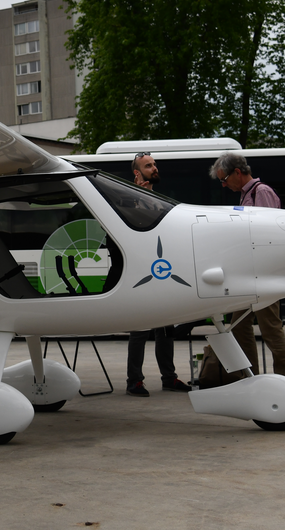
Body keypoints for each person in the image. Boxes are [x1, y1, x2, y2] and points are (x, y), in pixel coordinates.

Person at [208, 152, 285, 381]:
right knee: (238, 325)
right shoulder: (246, 195)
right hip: (249, 275)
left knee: (270, 329)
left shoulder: (262, 192)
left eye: (225, 179)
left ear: (237, 172)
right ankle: (250, 377)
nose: (224, 185)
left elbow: (271, 234)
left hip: (263, 275)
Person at [125, 152, 191, 396]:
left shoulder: (160, 199)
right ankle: (134, 381)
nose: (154, 168)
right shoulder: (127, 200)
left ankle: (169, 378)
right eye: (148, 166)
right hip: (141, 273)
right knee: (140, 329)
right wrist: (137, 198)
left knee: (165, 329)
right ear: (137, 173)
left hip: (162, 270)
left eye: (154, 165)